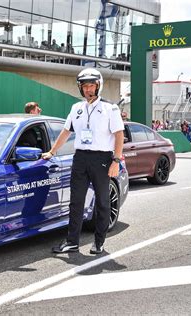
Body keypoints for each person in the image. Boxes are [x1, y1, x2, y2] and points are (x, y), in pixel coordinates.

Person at [42, 68, 124, 254]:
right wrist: (52, 152)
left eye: (91, 85)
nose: (88, 89)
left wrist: (116, 160)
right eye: (84, 86)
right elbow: (66, 131)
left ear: (98, 86)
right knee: (76, 202)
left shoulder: (110, 108)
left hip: (102, 159)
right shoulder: (76, 108)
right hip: (80, 158)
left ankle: (99, 242)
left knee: (102, 202)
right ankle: (72, 241)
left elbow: (119, 135)